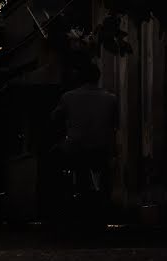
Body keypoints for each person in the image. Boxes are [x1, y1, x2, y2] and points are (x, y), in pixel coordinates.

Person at [50, 59, 118, 197]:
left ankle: (57, 198)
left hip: (75, 148)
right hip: (102, 149)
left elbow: (54, 118)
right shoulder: (111, 99)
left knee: (52, 157)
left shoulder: (68, 97)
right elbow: (115, 124)